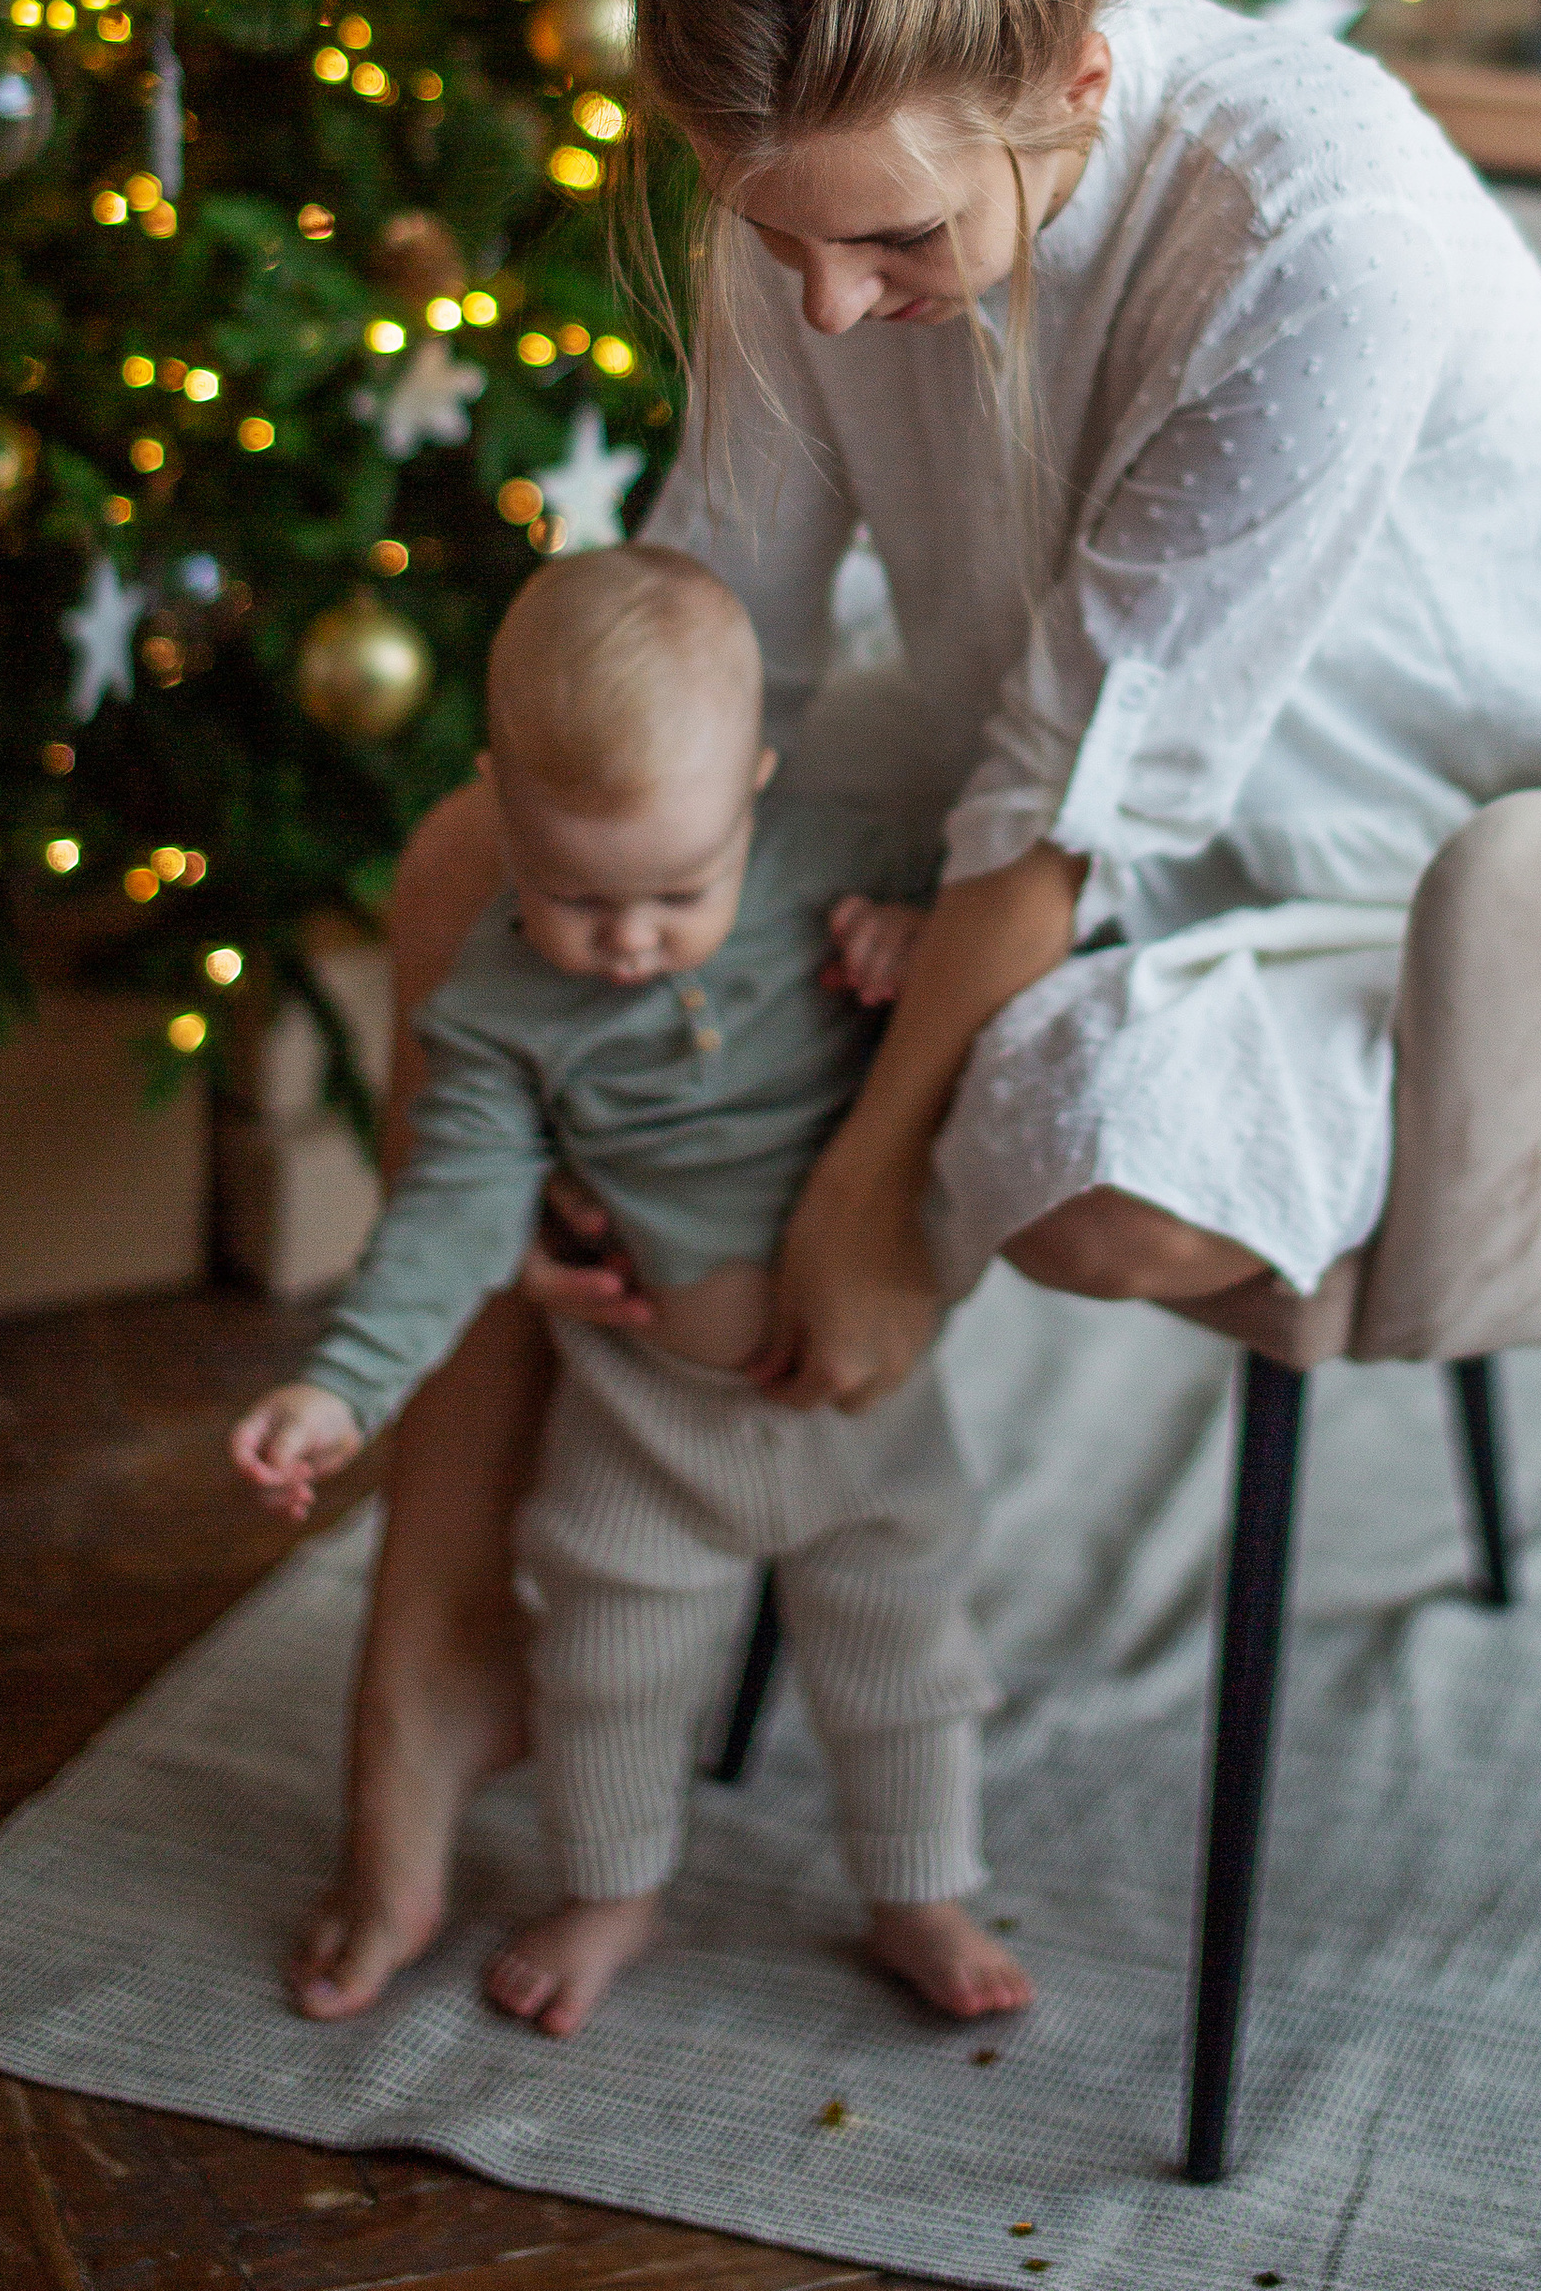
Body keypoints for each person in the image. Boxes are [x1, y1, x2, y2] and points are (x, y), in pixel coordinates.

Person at [289, 0, 1541, 2023]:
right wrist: (639, 961)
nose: (831, 309)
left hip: (1418, 862)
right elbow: (714, 608)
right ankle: (441, 1638)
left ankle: (734, 1520)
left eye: (900, 249)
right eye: (775, 238)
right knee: (472, 874)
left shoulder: (1305, 225)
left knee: (1070, 1159)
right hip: (1020, 767)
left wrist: (862, 1216)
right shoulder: (812, 201)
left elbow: (1065, 795)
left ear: (1069, 79)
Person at [234, 544, 1024, 2036]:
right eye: (573, 897)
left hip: (864, 1406)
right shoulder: (497, 1009)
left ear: (756, 792)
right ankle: (613, 1890)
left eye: (678, 889)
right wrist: (340, 1384)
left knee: (909, 1656)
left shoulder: (844, 866)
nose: (629, 941)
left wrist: (915, 946)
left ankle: (920, 1890)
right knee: (608, 1669)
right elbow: (448, 1213)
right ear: (505, 816)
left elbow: (1011, 950)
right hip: (646, 1419)